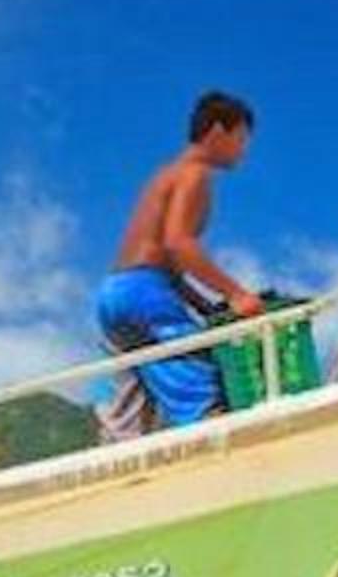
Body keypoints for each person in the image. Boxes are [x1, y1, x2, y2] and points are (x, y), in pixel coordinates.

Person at [94, 91, 260, 433]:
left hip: (115, 292)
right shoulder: (195, 173)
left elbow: (167, 262)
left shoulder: (164, 175)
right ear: (218, 132)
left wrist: (205, 307)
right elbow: (179, 243)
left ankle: (120, 452)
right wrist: (237, 294)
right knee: (202, 385)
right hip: (145, 293)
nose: (244, 150)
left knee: (132, 406)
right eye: (241, 139)